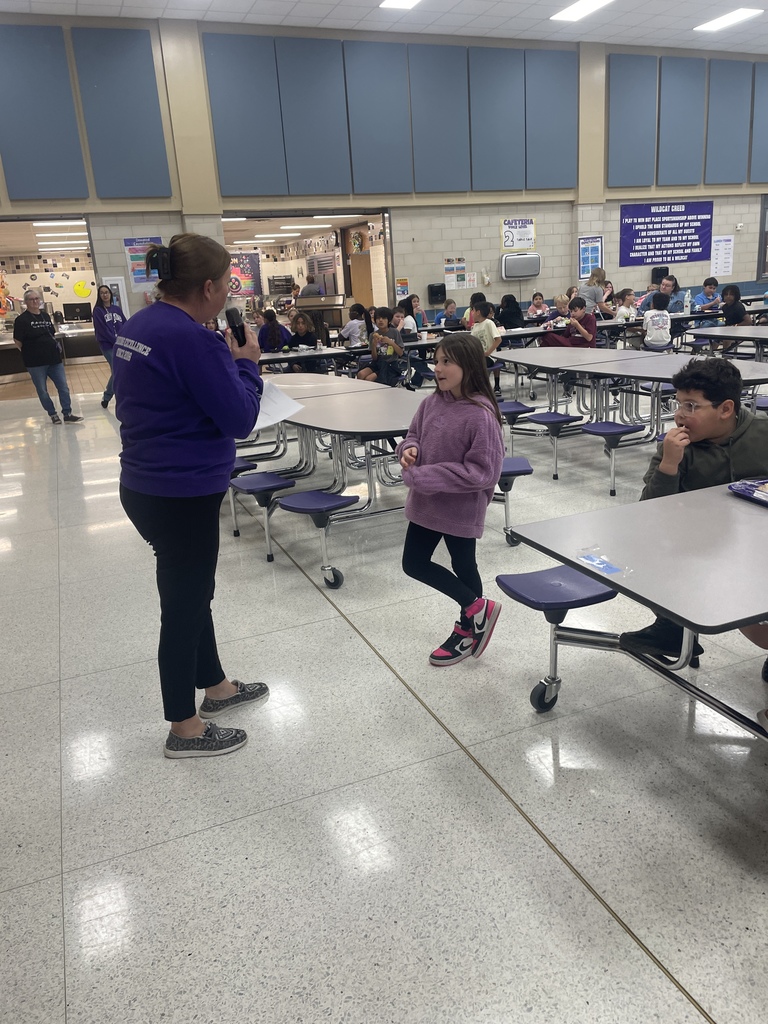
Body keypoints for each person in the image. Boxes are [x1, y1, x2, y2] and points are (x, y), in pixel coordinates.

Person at [114, 233, 265, 759]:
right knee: (183, 604)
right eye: (226, 285)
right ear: (206, 287)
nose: (227, 294)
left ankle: (216, 685)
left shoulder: (139, 325)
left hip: (144, 484)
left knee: (192, 590)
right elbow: (240, 418)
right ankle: (184, 726)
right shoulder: (194, 340)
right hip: (181, 491)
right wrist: (246, 364)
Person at [619, 358, 768, 667]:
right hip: (698, 543)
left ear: (725, 409)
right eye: (678, 404)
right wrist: (669, 464)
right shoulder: (676, 446)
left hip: (758, 542)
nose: (679, 415)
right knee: (642, 546)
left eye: (691, 406)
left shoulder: (763, 434)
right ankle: (672, 626)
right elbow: (648, 511)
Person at [398, 332, 504, 666]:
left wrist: (427, 476)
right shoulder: (431, 403)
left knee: (463, 565)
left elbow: (484, 472)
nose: (438, 368)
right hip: (426, 503)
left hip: (460, 508)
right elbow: (413, 435)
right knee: (414, 563)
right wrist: (409, 450)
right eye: (436, 360)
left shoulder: (481, 415)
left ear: (468, 365)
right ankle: (478, 609)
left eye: (446, 361)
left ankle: (467, 628)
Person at [13, 289, 82, 424]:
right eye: (32, 299)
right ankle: (52, 414)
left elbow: (52, 333)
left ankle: (67, 413)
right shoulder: (21, 320)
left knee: (63, 387)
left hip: (54, 359)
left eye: (37, 299)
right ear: (26, 302)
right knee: (42, 390)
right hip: (35, 362)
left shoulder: (45, 316)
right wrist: (30, 352)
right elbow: (17, 341)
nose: (35, 301)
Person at [92, 284, 127, 410]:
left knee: (121, 370)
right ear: (99, 296)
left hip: (121, 344)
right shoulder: (98, 311)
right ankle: (109, 396)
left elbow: (125, 323)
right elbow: (102, 330)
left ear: (110, 294)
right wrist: (116, 341)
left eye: (106, 292)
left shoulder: (117, 309)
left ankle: (111, 395)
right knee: (117, 369)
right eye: (102, 293)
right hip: (108, 345)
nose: (105, 295)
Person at [357, 306, 404, 386]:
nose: (381, 320)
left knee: (369, 378)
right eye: (378, 318)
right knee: (361, 374)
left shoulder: (395, 332)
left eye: (384, 318)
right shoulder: (373, 335)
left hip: (390, 365)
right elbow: (374, 358)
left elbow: (401, 353)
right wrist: (374, 345)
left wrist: (391, 342)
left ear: (389, 320)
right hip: (377, 363)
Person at [471, 300, 503, 396]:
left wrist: (488, 352)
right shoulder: (475, 326)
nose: (472, 313)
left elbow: (498, 339)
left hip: (489, 357)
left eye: (473, 311)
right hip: (478, 356)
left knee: (477, 366)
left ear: (478, 312)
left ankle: (483, 390)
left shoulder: (489, 323)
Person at [717, 284, 752, 352]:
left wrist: (736, 326)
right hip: (729, 328)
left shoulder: (738, 307)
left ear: (736, 296)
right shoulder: (725, 307)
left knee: (726, 338)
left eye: (731, 294)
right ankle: (712, 352)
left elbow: (748, 321)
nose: (728, 296)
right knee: (716, 336)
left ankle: (726, 354)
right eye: (726, 294)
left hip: (741, 329)